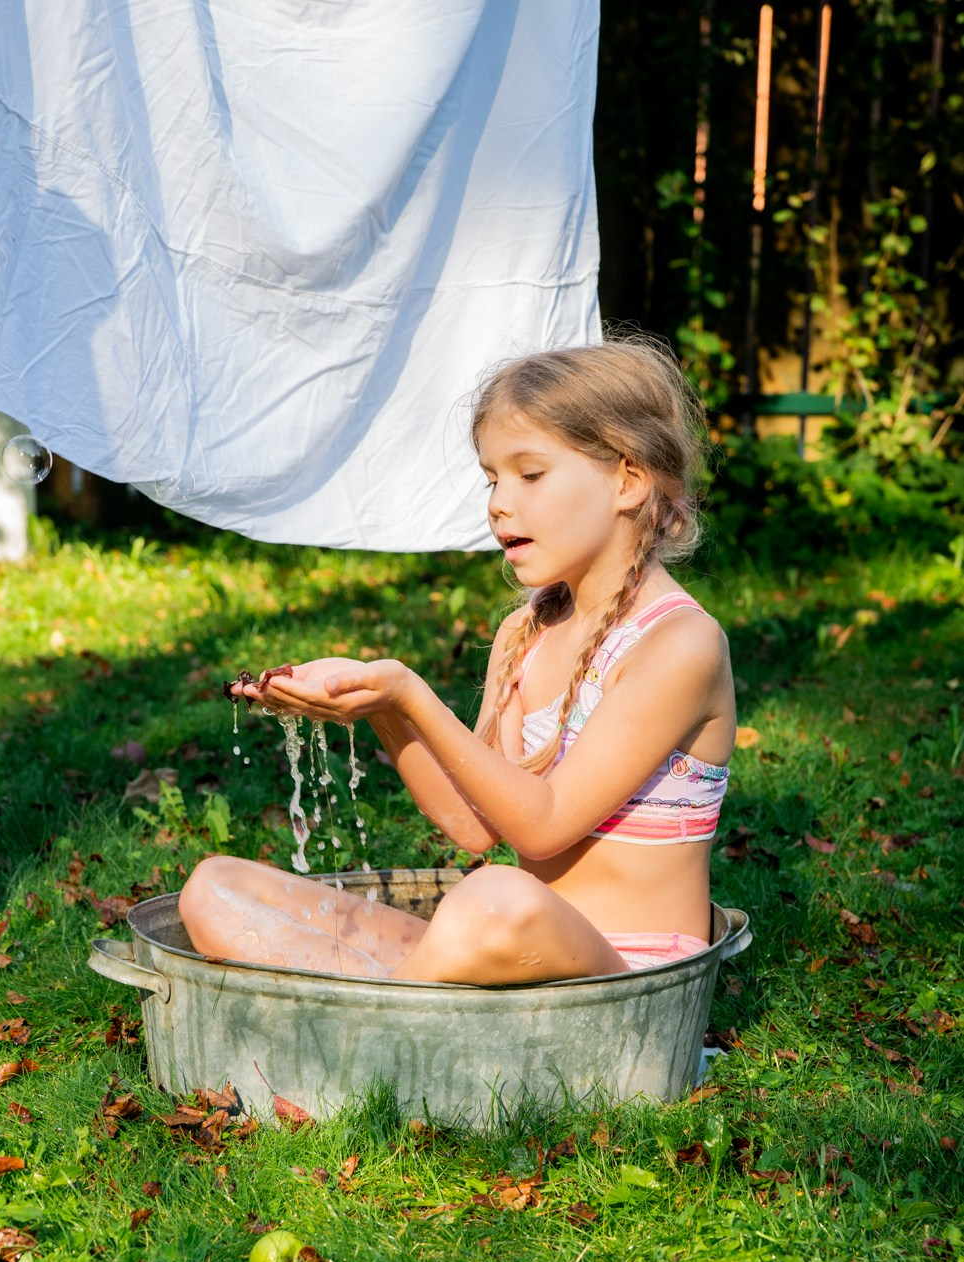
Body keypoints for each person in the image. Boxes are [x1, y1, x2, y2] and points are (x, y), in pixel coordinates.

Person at [179, 337, 736, 984]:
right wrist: (381, 707)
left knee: (494, 897)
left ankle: (367, 1019)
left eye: (530, 475)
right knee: (215, 887)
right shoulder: (526, 631)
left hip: (625, 977)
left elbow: (543, 827)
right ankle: (401, 1004)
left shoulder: (678, 644)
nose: (498, 502)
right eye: (491, 478)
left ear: (627, 481)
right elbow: (473, 825)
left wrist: (413, 695)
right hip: (509, 946)